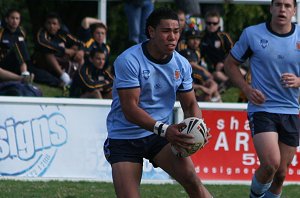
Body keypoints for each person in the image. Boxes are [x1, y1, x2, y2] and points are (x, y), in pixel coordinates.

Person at [103, 7, 212, 197]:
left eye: (176, 31)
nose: (172, 37)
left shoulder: (181, 64)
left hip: (159, 137)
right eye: (166, 31)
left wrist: (198, 127)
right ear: (151, 32)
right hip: (125, 136)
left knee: (193, 182)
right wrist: (165, 130)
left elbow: (190, 105)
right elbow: (130, 109)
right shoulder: (129, 60)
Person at [224, 0, 300, 197]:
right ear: (271, 8)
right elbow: (230, 64)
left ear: (294, 10)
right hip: (262, 108)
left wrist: (299, 81)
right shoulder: (253, 34)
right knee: (270, 164)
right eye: (278, 4)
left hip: (291, 109)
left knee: (281, 174)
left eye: (287, 5)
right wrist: (246, 89)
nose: (282, 9)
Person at [34, 12, 85, 86]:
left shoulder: (63, 33)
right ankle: (65, 78)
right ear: (45, 24)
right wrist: (63, 49)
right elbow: (42, 43)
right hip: (44, 61)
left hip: (61, 58)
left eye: (54, 24)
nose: (51, 26)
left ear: (59, 26)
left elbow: (80, 43)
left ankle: (81, 78)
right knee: (48, 51)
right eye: (49, 23)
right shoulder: (42, 32)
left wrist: (81, 51)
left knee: (77, 49)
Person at [180, 29, 221, 102]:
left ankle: (213, 99)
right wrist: (204, 70)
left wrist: (208, 91)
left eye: (198, 39)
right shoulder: (185, 51)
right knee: (209, 93)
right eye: (192, 39)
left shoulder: (197, 52)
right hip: (187, 84)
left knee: (213, 87)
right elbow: (191, 64)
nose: (195, 42)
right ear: (187, 40)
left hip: (198, 78)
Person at [200, 10, 234, 88]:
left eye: (214, 23)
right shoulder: (201, 37)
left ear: (218, 24)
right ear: (205, 23)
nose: (211, 25)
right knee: (217, 74)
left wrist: (223, 62)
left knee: (241, 71)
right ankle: (230, 84)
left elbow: (233, 51)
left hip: (226, 65)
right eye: (209, 23)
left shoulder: (224, 36)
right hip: (209, 69)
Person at [0, 8, 31, 77]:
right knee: (18, 44)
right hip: (4, 62)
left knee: (20, 42)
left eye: (17, 18)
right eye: (12, 18)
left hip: (17, 63)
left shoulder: (21, 32)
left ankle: (24, 73)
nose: (15, 21)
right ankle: (24, 73)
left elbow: (25, 50)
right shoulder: (1, 32)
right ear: (6, 19)